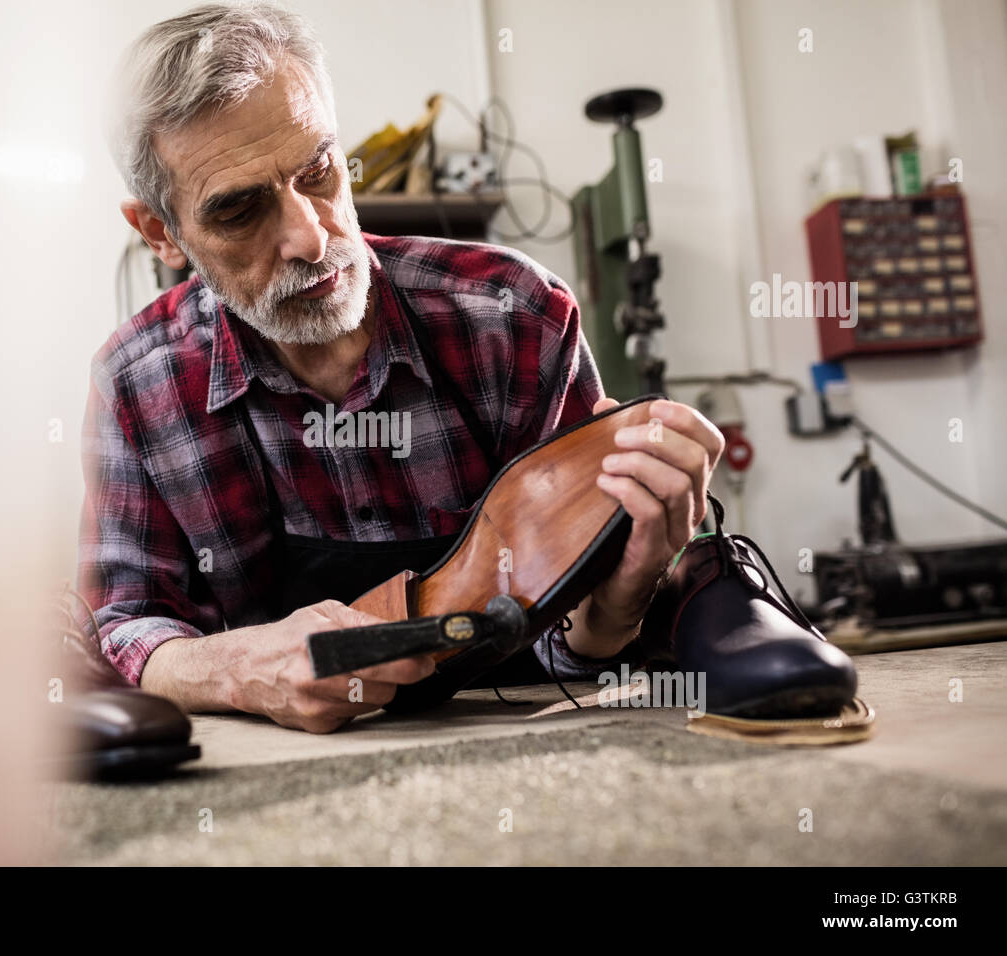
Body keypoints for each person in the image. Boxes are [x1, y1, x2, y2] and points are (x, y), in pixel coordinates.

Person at [78, 2, 725, 733]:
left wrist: (620, 604)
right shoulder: (137, 383)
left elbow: (580, 635)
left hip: (524, 737)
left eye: (318, 171)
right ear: (162, 232)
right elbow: (127, 623)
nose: (311, 238)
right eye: (237, 211)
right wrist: (234, 667)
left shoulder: (514, 319)